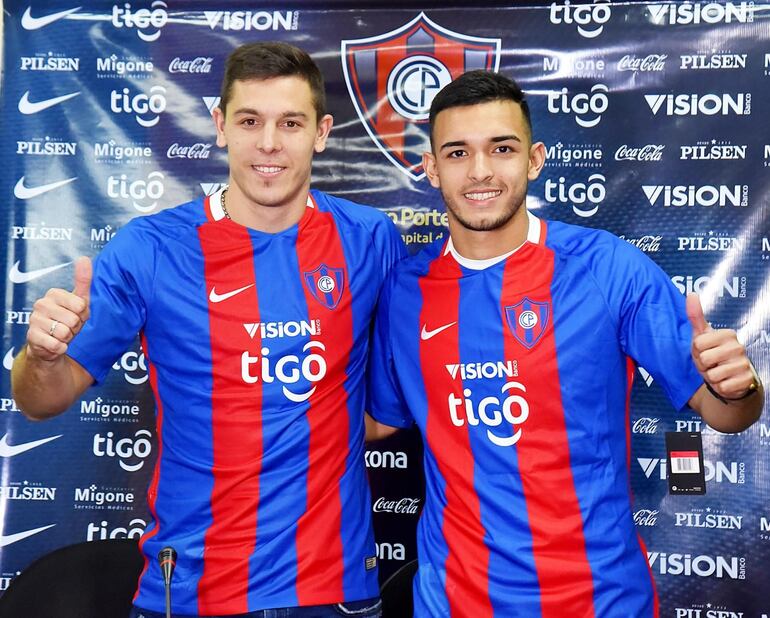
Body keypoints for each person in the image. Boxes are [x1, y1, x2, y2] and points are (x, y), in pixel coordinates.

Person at [12, 42, 405, 618]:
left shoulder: (370, 239)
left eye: (290, 123)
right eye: (250, 121)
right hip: (191, 591)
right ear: (220, 126)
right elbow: (39, 402)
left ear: (320, 132)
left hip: (334, 591)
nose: (268, 144)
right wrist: (40, 357)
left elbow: (392, 405)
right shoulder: (150, 249)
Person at [365, 70, 763, 617]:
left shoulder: (608, 268)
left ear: (533, 159)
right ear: (431, 168)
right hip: (451, 600)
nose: (480, 172)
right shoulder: (403, 291)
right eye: (457, 153)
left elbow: (726, 414)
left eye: (501, 149)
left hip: (597, 600)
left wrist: (740, 389)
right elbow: (379, 420)